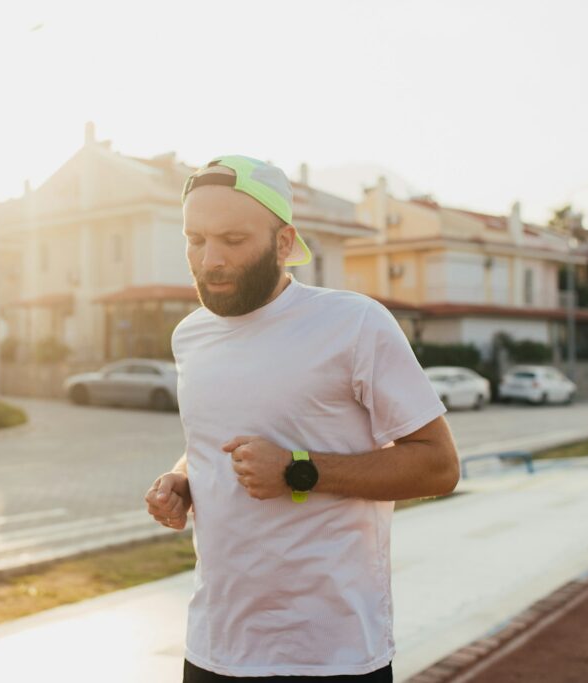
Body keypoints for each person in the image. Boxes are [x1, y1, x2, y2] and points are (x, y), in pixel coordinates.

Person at [144, 155, 460, 682]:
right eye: (195, 240)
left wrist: (298, 470)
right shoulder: (190, 336)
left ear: (284, 243)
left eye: (233, 240)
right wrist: (181, 479)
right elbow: (209, 442)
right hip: (215, 646)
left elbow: (439, 466)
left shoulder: (354, 323)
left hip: (331, 653)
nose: (210, 259)